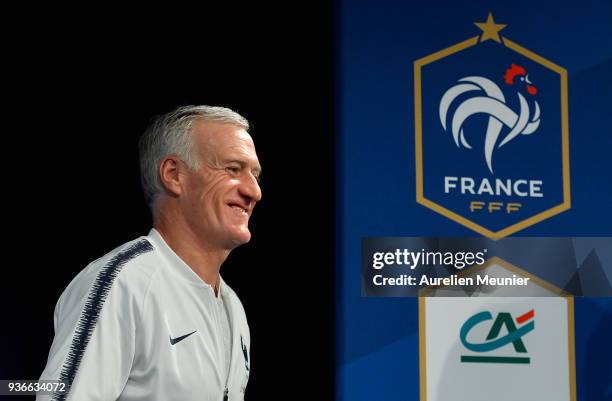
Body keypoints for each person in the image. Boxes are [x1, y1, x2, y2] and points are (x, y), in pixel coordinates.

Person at [37, 105, 262, 401]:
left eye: (255, 175)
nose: (254, 191)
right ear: (173, 175)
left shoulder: (233, 308)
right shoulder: (122, 283)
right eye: (233, 169)